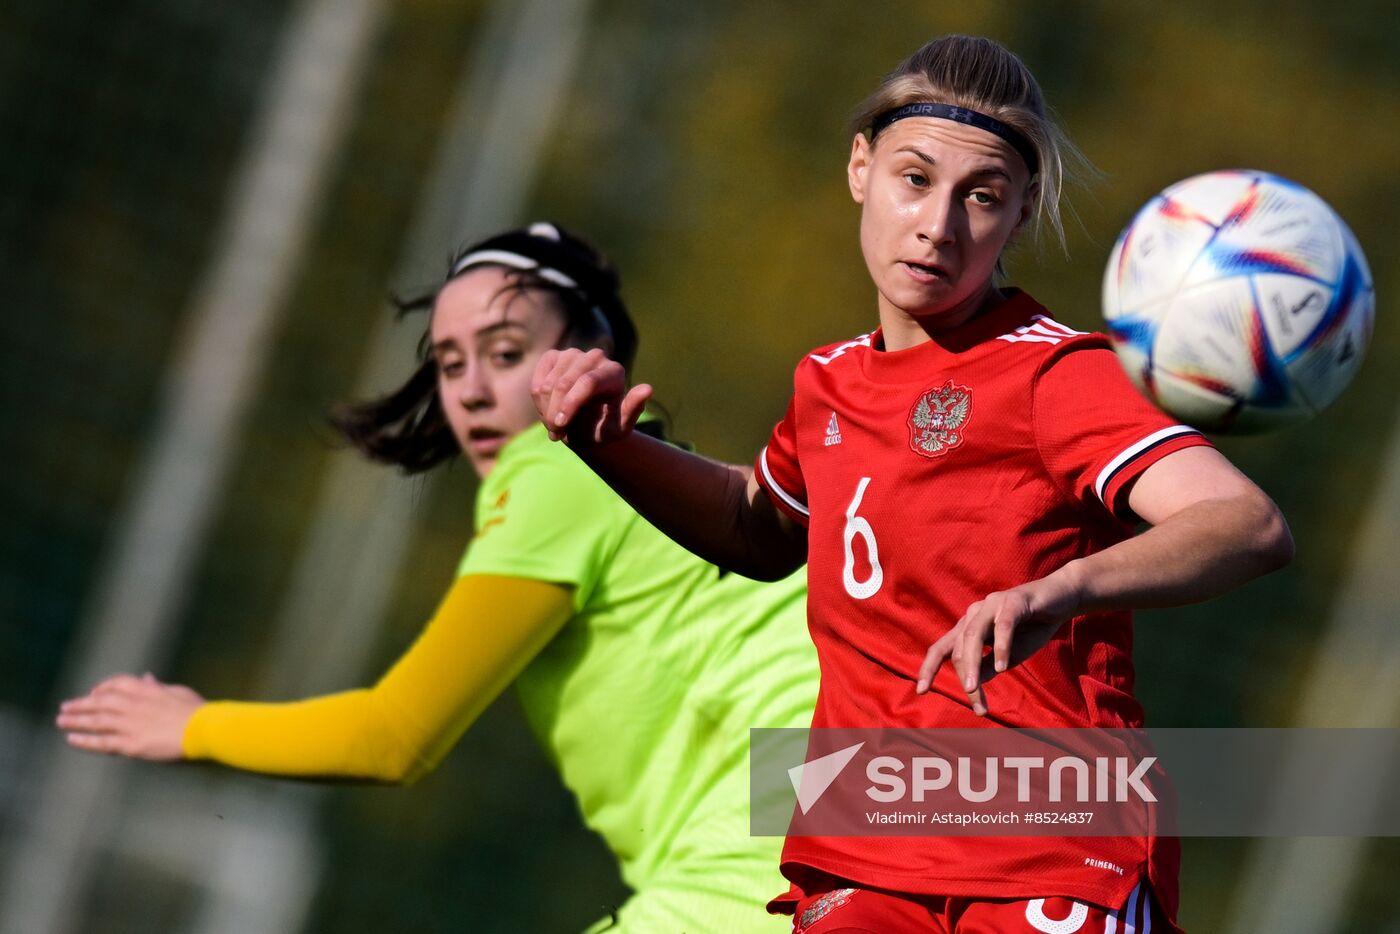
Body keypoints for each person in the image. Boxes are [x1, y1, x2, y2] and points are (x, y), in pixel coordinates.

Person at [531, 36, 1293, 933]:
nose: (939, 224)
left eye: (983, 197)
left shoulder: (1054, 374)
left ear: (1020, 215)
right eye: (914, 178)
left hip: (1053, 844)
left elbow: (1245, 521)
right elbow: (760, 528)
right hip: (867, 847)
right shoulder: (829, 382)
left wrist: (1061, 589)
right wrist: (602, 444)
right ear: (860, 168)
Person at [56, 222, 818, 933]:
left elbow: (396, 738)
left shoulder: (558, 471)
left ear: (594, 348)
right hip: (909, 783)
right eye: (451, 363)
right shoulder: (648, 477)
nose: (472, 390)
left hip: (781, 808)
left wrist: (191, 725)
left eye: (507, 351)